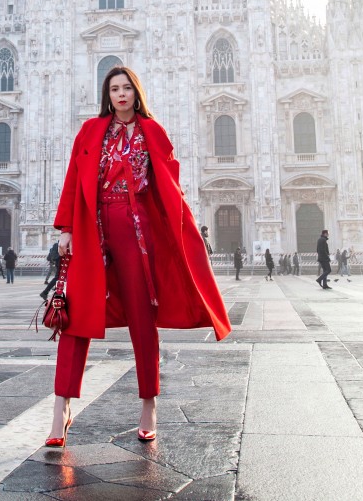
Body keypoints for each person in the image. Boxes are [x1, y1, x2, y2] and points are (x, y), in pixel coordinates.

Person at [45, 66, 231, 447]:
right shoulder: (91, 131)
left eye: (127, 87)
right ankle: (60, 408)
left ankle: (148, 404)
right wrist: (66, 228)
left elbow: (168, 184)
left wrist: (179, 230)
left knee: (142, 316)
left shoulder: (153, 132)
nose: (121, 94)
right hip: (93, 227)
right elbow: (72, 178)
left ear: (136, 92)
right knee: (75, 316)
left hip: (138, 230)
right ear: (107, 94)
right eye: (114, 88)